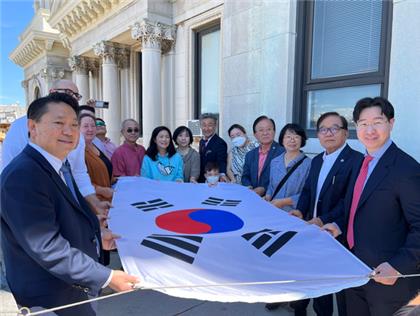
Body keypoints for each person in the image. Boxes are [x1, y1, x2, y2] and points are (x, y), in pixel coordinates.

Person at [0, 93, 138, 315]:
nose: (69, 131)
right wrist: (107, 277)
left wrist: (97, 234)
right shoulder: (23, 176)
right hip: (49, 297)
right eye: (59, 123)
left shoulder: (57, 165)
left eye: (74, 124)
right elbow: (47, 246)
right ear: (32, 127)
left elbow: (64, 216)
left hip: (70, 289)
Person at [323, 97, 420, 316]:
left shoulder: (406, 169)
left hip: (389, 280)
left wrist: (398, 266)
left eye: (377, 121)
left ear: (391, 123)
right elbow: (356, 205)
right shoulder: (358, 162)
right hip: (355, 270)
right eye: (363, 124)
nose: (370, 130)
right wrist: (339, 225)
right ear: (357, 127)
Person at [288, 112, 363, 316]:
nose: (328, 133)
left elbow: (349, 201)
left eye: (334, 128)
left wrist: (323, 219)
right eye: (323, 129)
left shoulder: (356, 161)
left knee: (333, 286)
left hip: (336, 233)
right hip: (311, 230)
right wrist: (300, 210)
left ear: (346, 133)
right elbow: (308, 190)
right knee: (309, 279)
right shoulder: (317, 160)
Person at [0, 79, 109, 215]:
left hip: (70, 209)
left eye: (76, 95)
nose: (72, 98)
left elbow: (79, 173)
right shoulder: (19, 128)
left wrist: (94, 202)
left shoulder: (77, 135)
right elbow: (10, 172)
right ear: (33, 128)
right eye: (68, 92)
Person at [265, 123, 311, 212]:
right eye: (288, 137)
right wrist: (267, 196)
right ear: (282, 140)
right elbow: (271, 186)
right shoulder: (274, 162)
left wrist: (283, 202)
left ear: (302, 140)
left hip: (294, 213)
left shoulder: (309, 164)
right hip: (273, 210)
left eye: (296, 137)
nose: (292, 140)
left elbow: (308, 193)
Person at [241, 115, 284, 196]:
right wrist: (249, 187)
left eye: (269, 129)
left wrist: (264, 189)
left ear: (274, 131)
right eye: (261, 130)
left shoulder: (283, 152)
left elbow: (282, 179)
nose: (265, 133)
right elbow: (245, 176)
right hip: (252, 197)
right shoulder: (250, 155)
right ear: (255, 134)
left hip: (274, 200)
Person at [79, 114, 114, 203]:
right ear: (77, 128)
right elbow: (77, 179)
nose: (90, 129)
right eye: (86, 126)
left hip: (107, 199)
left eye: (93, 126)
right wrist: (102, 190)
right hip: (92, 202)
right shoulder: (77, 151)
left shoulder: (97, 145)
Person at [198, 113, 228, 183]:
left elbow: (222, 161)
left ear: (215, 126)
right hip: (202, 180)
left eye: (210, 125)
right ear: (200, 126)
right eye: (204, 125)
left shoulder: (220, 143)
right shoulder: (201, 141)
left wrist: (222, 174)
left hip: (213, 180)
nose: (206, 128)